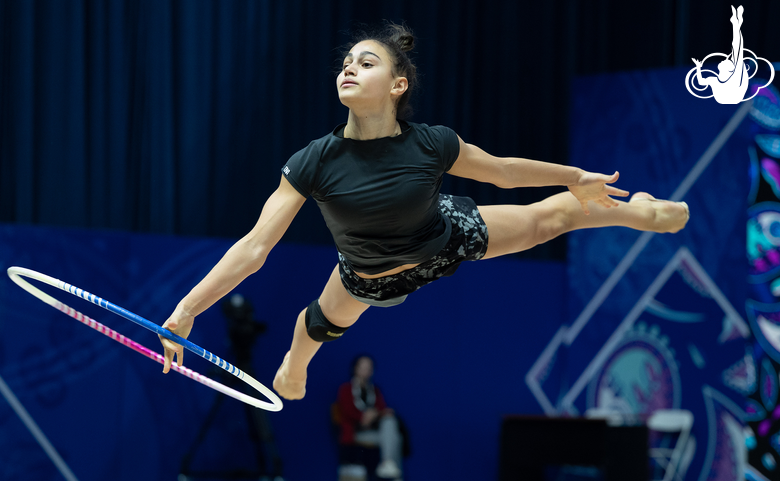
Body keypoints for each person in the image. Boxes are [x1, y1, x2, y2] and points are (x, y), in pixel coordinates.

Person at [158, 22, 689, 402]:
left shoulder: (432, 143)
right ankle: (293, 369)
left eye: (366, 63)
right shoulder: (313, 162)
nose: (349, 68)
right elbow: (253, 249)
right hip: (367, 277)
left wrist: (575, 177)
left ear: (397, 85)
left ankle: (633, 209)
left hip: (443, 237)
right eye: (346, 63)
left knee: (549, 220)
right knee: (315, 327)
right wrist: (187, 310)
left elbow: (503, 171)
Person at [336, 355, 404, 481]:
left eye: (369, 367)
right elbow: (347, 411)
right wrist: (363, 417)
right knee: (394, 439)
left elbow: (381, 408)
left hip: (374, 431)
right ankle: (395, 478)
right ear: (355, 368)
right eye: (363, 367)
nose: (366, 370)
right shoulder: (346, 389)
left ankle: (390, 469)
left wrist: (377, 414)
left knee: (393, 431)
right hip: (356, 433)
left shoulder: (375, 390)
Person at [692, 5, 748, 104]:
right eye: (728, 61)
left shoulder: (732, 78)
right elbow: (701, 82)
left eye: (727, 61)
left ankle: (736, 24)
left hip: (733, 97)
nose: (725, 59)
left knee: (737, 51)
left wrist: (736, 26)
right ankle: (736, 24)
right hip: (728, 98)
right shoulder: (715, 80)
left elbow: (737, 48)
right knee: (737, 52)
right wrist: (698, 67)